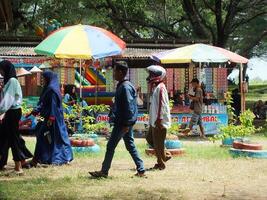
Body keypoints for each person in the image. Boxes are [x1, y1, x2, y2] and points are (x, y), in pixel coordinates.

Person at [89, 61, 145, 178]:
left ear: (120, 72)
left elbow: (128, 107)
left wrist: (126, 124)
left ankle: (104, 172)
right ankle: (141, 169)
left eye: (115, 71)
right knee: (130, 145)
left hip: (123, 123)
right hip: (125, 122)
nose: (113, 73)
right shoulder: (127, 85)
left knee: (110, 146)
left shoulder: (124, 87)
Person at [27, 70, 73, 166]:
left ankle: (57, 158)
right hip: (43, 117)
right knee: (41, 133)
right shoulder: (47, 89)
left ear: (49, 79)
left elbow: (53, 105)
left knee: (53, 137)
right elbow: (42, 103)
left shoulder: (52, 90)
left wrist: (51, 119)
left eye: (44, 78)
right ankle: (41, 158)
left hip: (52, 118)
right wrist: (33, 112)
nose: (43, 80)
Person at [0, 60, 33, 174]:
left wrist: (0, 111)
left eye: (2, 70)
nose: (1, 72)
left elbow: (7, 101)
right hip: (11, 112)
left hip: (12, 112)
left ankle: (18, 167)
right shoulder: (10, 81)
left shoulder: (12, 81)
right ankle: (6, 162)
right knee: (5, 137)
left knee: (13, 138)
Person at [145, 65, 172, 170]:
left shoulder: (160, 88)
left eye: (152, 74)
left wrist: (159, 119)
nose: (150, 76)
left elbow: (162, 105)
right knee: (150, 139)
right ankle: (164, 155)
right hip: (154, 120)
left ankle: (160, 163)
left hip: (158, 121)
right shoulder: (156, 87)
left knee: (158, 142)